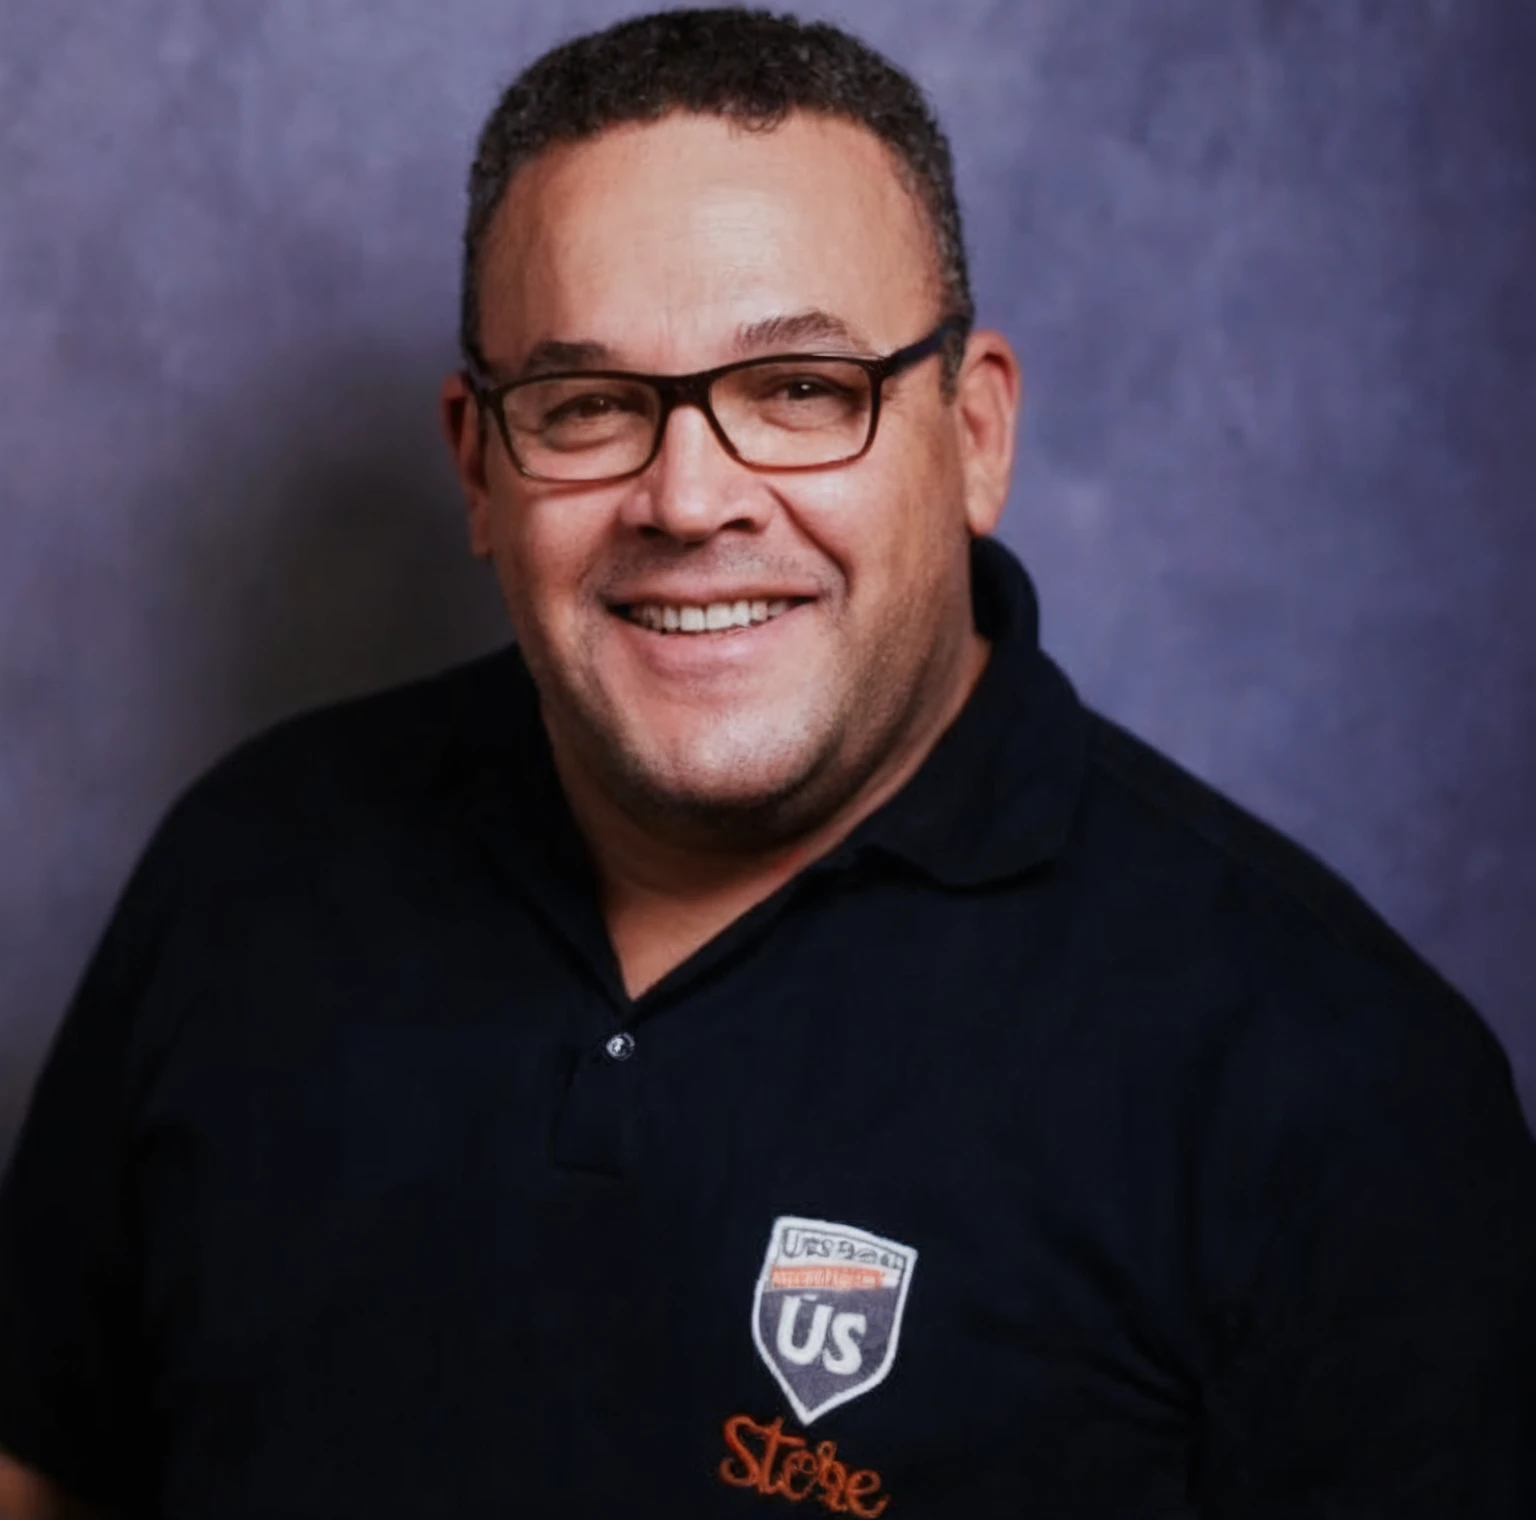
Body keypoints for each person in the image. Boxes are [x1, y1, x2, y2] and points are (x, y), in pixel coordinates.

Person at [2, 7, 1533, 1517]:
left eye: (802, 390)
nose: (688, 497)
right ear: (479, 464)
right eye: (589, 405)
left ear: (975, 433)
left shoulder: (1335, 1087)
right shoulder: (251, 869)